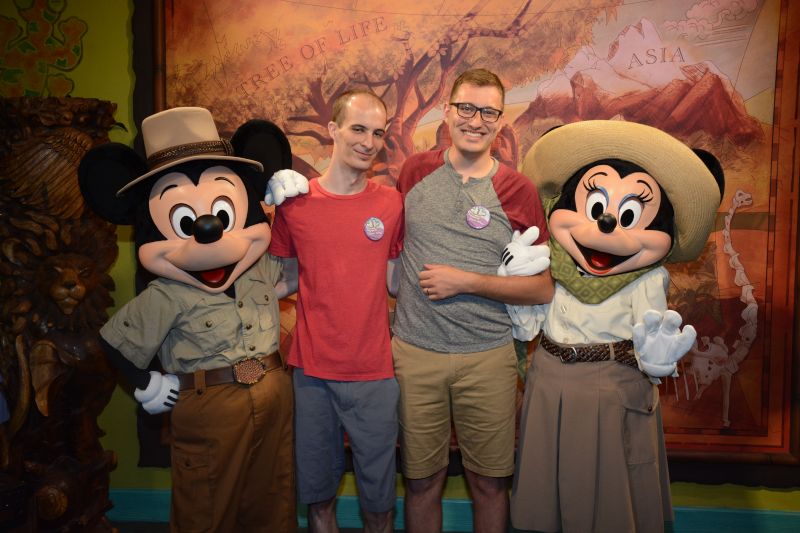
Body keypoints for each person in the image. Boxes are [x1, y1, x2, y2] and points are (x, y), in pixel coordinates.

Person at [392, 68, 555, 533]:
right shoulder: (415, 172)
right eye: (466, 108)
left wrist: (466, 281)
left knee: (489, 484)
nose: (475, 120)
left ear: (500, 122)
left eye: (488, 112)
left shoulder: (518, 189)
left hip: (488, 357)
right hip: (415, 353)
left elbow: (541, 288)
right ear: (447, 111)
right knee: (421, 482)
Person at [269, 89, 404, 533]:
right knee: (318, 500)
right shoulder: (295, 203)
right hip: (313, 374)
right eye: (358, 129)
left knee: (380, 506)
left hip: (375, 373)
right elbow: (285, 279)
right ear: (333, 129)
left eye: (378, 133)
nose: (368, 142)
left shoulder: (391, 204)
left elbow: (396, 282)